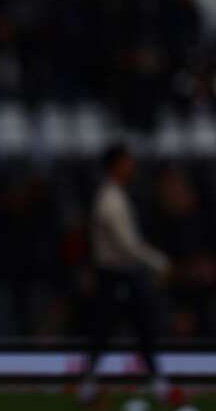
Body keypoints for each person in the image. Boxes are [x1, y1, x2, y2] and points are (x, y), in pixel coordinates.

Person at [79, 143, 171, 404]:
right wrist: (159, 262)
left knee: (142, 326)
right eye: (126, 162)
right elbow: (127, 244)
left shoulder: (118, 195)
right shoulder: (109, 199)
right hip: (114, 274)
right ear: (115, 165)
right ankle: (88, 383)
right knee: (106, 329)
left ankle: (156, 380)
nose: (131, 166)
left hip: (126, 273)